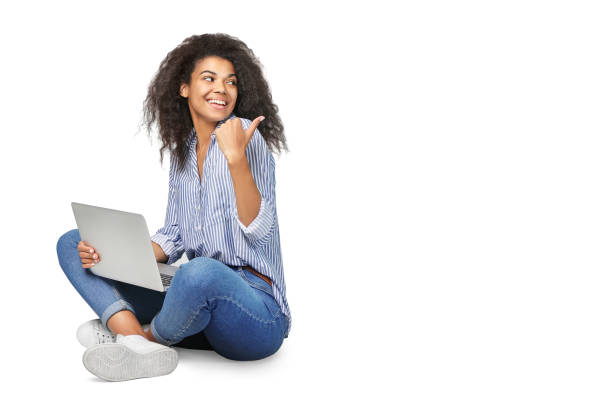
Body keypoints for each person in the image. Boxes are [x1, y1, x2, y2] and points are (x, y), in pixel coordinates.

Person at [56, 33, 291, 382]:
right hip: (195, 301)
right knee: (73, 242)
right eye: (209, 78)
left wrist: (236, 160)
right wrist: (113, 255)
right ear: (184, 88)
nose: (222, 89)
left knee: (200, 271)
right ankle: (133, 336)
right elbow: (175, 235)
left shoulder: (244, 136)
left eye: (231, 82)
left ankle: (142, 338)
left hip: (255, 312)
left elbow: (260, 227)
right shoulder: (184, 152)